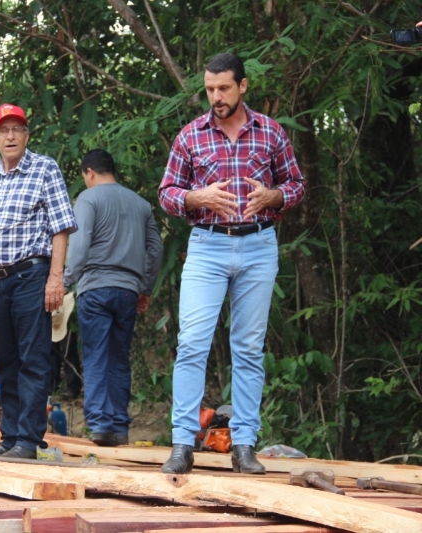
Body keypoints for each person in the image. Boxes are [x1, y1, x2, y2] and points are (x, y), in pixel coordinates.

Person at [158, 53, 305, 474]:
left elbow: (296, 184)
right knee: (192, 344)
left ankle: (244, 445)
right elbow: (167, 192)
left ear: (243, 86)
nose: (216, 97)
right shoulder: (190, 136)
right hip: (207, 246)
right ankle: (183, 444)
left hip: (259, 246)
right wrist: (195, 198)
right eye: (209, 89)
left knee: (248, 349)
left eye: (223, 88)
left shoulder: (271, 133)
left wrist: (275, 197)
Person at [0, 103, 77, 459]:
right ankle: (10, 437)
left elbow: (61, 226)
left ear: (27, 135)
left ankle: (29, 440)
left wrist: (55, 278)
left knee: (33, 357)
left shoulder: (44, 168)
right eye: (4, 130)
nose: (11, 136)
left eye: (18, 129)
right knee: (5, 359)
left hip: (31, 275)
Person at [63, 148, 163, 447]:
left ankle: (100, 425)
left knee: (96, 355)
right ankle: (120, 426)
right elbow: (156, 249)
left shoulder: (88, 199)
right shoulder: (140, 203)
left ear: (89, 173)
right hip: (128, 292)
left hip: (95, 288)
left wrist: (65, 282)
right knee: (119, 358)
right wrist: (145, 288)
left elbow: (79, 247)